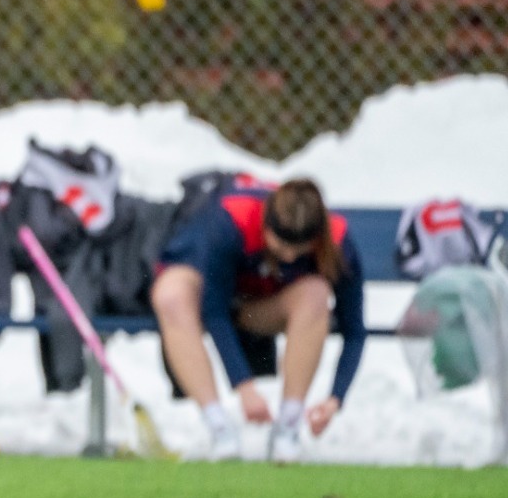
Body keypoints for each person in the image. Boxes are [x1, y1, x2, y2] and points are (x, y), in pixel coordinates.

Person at [150, 176, 366, 462]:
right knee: (171, 295)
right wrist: (245, 387)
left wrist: (336, 398)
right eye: (280, 248)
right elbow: (215, 312)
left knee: (316, 294)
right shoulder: (231, 220)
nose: (289, 258)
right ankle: (219, 426)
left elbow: (354, 331)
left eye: (298, 252)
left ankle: (288, 424)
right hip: (214, 301)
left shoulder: (338, 241)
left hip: (260, 310)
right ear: (265, 224)